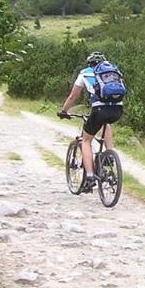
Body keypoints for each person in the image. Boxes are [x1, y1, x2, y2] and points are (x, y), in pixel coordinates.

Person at [57, 52, 123, 193]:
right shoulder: (113, 71)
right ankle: (110, 154)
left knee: (85, 140)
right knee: (106, 123)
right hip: (117, 109)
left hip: (99, 109)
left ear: (90, 64)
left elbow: (73, 96)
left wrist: (64, 111)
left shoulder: (85, 73)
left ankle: (90, 176)